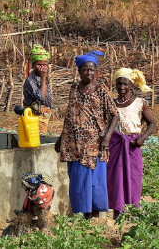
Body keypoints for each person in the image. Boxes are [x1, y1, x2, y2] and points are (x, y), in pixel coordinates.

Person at [54, 51, 119, 219]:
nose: (89, 73)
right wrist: (61, 138)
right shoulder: (74, 89)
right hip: (74, 145)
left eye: (92, 70)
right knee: (77, 180)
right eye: (85, 70)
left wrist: (106, 138)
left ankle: (95, 215)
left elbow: (115, 115)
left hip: (94, 145)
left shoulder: (100, 90)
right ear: (79, 71)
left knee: (95, 182)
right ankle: (82, 215)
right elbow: (70, 116)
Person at [108, 68, 157, 219]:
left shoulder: (140, 103)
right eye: (118, 84)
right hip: (115, 145)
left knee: (134, 177)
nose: (121, 87)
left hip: (132, 145)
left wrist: (142, 138)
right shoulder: (111, 104)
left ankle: (133, 210)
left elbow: (152, 123)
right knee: (115, 178)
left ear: (131, 85)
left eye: (125, 84)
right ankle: (118, 211)